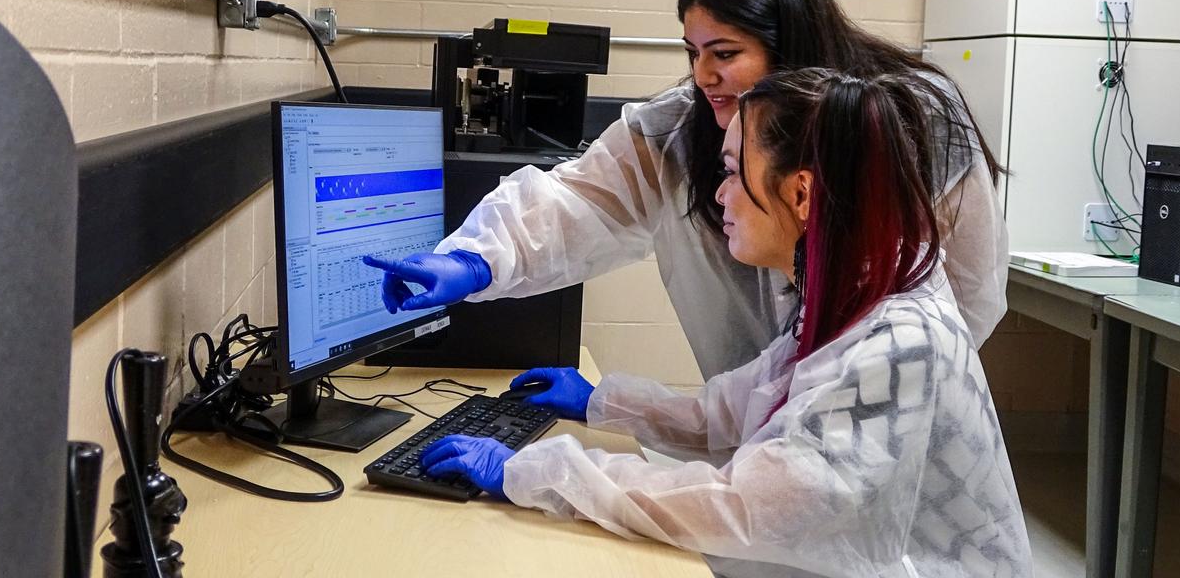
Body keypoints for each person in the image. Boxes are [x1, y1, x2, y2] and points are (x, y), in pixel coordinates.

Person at [418, 69, 1032, 577]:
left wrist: (536, 472)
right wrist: (605, 402)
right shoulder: (853, 292)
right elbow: (735, 412)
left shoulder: (896, 341)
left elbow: (744, 507)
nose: (719, 195)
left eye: (734, 171)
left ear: (801, 197)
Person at [363, 0, 1008, 381]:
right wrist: (476, 259)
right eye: (692, 52)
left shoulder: (909, 124)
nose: (703, 76)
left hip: (893, 409)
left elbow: (972, 292)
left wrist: (891, 391)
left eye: (724, 53)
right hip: (764, 424)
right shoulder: (685, 128)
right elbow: (577, 201)